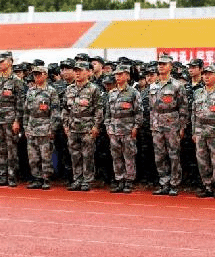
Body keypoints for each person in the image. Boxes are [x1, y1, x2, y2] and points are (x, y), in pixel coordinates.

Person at [147, 54, 188, 195]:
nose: (161, 66)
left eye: (164, 64)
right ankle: (164, 183)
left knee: (174, 155)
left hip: (172, 125)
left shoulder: (177, 85)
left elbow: (183, 108)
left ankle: (174, 184)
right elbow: (151, 107)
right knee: (159, 156)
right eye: (159, 64)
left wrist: (182, 126)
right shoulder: (153, 85)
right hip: (157, 124)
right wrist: (152, 124)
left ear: (170, 67)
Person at [191, 65, 215, 199]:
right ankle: (207, 186)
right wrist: (194, 132)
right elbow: (194, 114)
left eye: (210, 74)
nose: (206, 77)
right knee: (202, 160)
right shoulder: (198, 93)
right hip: (200, 131)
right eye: (205, 74)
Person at [63, 60, 103, 191]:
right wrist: (65, 125)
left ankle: (87, 180)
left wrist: (96, 126)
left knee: (87, 155)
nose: (77, 73)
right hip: (72, 128)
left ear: (88, 72)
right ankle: (77, 179)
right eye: (75, 71)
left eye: (80, 71)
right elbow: (65, 109)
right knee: (75, 155)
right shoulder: (69, 89)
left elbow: (98, 109)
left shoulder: (94, 89)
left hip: (87, 128)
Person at [0, 51, 25, 187]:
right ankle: (2, 176)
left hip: (10, 119)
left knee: (11, 149)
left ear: (10, 62)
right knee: (0, 149)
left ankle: (12, 176)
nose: (0, 64)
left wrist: (17, 121)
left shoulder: (17, 81)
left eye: (2, 61)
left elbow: (20, 103)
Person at [105, 64, 143, 193]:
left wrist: (136, 127)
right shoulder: (112, 93)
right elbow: (108, 113)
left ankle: (129, 181)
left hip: (128, 130)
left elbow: (139, 112)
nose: (118, 77)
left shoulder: (133, 93)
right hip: (114, 130)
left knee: (129, 156)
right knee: (116, 156)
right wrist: (108, 127)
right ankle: (119, 180)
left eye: (120, 74)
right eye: (116, 75)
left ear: (127, 76)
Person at [24, 65, 60, 189]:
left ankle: (46, 178)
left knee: (46, 155)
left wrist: (52, 128)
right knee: (33, 156)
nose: (37, 77)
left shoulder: (51, 91)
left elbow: (55, 112)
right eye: (35, 74)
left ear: (45, 75)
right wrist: (25, 126)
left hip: (45, 127)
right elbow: (26, 111)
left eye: (39, 74)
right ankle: (36, 178)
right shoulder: (30, 91)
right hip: (32, 127)